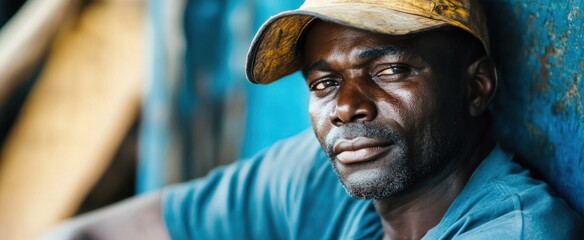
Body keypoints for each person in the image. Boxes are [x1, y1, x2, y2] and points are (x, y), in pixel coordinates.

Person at [41, 0, 583, 239]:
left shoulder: (517, 231)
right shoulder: (320, 174)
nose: (347, 107)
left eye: (391, 69)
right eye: (324, 83)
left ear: (476, 86)